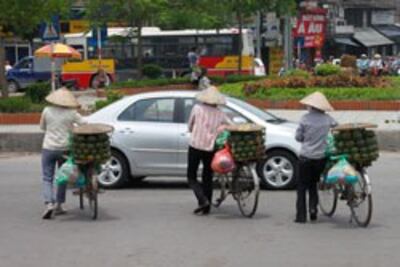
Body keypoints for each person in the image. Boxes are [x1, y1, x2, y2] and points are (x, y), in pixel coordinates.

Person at [40, 87, 85, 219]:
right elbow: (84, 123)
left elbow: (42, 127)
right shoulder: (71, 113)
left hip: (48, 147)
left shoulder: (46, 110)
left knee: (47, 177)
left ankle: (49, 203)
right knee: (62, 177)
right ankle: (59, 205)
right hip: (65, 149)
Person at [295, 91, 337, 223]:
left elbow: (298, 137)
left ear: (311, 106)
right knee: (313, 183)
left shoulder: (304, 119)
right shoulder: (327, 118)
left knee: (302, 186)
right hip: (321, 158)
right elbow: (336, 125)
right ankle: (313, 210)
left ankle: (301, 216)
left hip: (306, 157)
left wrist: (306, 137)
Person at [187, 86, 230, 215]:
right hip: (210, 148)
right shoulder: (220, 113)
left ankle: (202, 199)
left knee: (191, 176)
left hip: (195, 145)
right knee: (207, 176)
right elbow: (230, 125)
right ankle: (207, 207)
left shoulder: (197, 108)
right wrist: (221, 128)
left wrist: (193, 129)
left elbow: (190, 125)